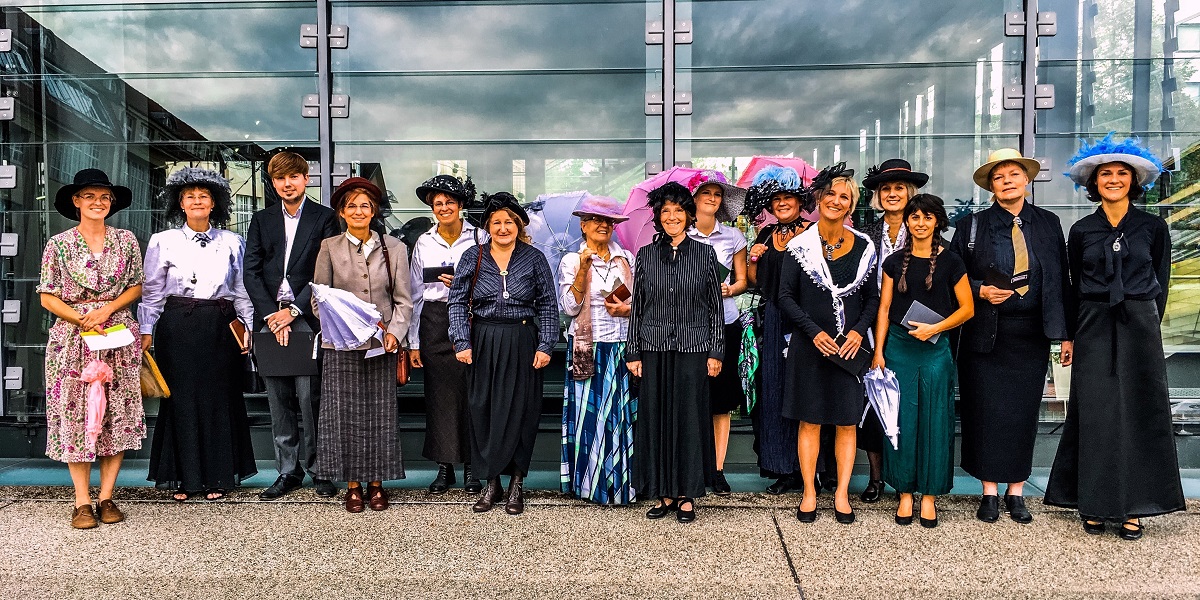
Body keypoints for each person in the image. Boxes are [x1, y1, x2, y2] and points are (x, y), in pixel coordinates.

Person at [1044, 135, 1185, 540]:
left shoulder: (1153, 227)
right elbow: (1070, 286)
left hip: (1139, 323)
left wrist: (1147, 323)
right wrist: (1067, 337)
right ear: (1094, 182)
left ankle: (1134, 507)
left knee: (1140, 411)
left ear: (1134, 180)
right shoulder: (1082, 230)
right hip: (1092, 321)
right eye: (1106, 173)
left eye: (1122, 173)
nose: (1114, 179)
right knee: (1096, 412)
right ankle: (1094, 502)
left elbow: (1162, 277)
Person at [950, 148, 1072, 524]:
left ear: (1027, 180)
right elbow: (951, 276)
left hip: (1031, 333)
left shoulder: (1049, 223)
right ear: (991, 185)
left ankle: (1016, 490)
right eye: (999, 176)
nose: (1007, 181)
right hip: (985, 333)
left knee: (1021, 414)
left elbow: (1062, 280)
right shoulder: (972, 224)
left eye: (1013, 174)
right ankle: (988, 490)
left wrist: (1066, 334)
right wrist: (980, 289)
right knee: (984, 411)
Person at [140, 167, 257, 501]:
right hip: (178, 327)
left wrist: (247, 327)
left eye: (203, 196)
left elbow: (242, 290)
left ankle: (219, 477)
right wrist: (146, 330)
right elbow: (152, 292)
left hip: (221, 326)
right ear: (180, 202)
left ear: (214, 203)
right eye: (189, 196)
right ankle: (182, 478)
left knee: (218, 399)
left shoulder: (233, 241)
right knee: (181, 401)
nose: (196, 201)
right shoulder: (162, 241)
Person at [38, 168, 145, 529]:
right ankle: (82, 501)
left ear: (111, 203)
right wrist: (81, 318)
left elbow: (135, 287)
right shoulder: (59, 244)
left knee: (116, 413)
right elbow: (47, 296)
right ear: (76, 201)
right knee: (77, 415)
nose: (97, 203)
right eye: (89, 196)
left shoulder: (127, 240)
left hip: (116, 334)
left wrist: (107, 309)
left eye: (104, 197)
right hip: (72, 339)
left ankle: (107, 496)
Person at [777, 163, 877, 525]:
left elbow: (872, 299)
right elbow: (785, 296)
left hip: (849, 350)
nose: (836, 200)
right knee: (810, 422)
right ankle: (808, 492)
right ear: (819, 198)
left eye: (844, 196)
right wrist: (812, 331)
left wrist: (856, 332)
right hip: (810, 347)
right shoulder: (798, 246)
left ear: (851, 205)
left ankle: (841, 495)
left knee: (848, 423)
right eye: (831, 194)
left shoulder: (865, 247)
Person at [448, 192, 558, 515]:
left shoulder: (534, 258)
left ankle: (516, 485)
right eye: (496, 222)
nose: (503, 227)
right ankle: (491, 483)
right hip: (483, 340)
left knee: (522, 411)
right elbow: (456, 301)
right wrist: (461, 341)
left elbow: (548, 304)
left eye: (509, 221)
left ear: (518, 224)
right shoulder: (473, 256)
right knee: (484, 409)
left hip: (523, 340)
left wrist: (545, 344)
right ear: (487, 226)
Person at [870, 194, 973, 528]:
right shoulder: (893, 262)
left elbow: (967, 309)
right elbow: (884, 309)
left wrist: (936, 327)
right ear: (907, 222)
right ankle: (904, 493)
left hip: (935, 349)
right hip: (898, 349)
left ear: (937, 222)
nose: (921, 222)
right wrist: (878, 352)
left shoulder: (952, 261)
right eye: (915, 217)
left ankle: (928, 496)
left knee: (934, 422)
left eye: (928, 217)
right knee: (901, 421)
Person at [310, 177, 413, 513]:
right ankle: (353, 485)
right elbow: (318, 299)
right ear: (342, 211)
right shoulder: (329, 246)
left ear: (374, 211)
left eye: (364, 205)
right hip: (340, 345)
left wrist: (395, 332)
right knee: (344, 416)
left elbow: (404, 300)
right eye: (351, 205)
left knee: (380, 415)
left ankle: (378, 483)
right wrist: (342, 324)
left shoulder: (394, 247)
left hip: (381, 344)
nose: (358, 211)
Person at [625, 182, 724, 524]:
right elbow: (638, 305)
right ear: (657, 216)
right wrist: (633, 351)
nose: (672, 217)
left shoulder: (705, 254)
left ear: (689, 215)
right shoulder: (646, 255)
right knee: (656, 419)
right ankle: (662, 491)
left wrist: (716, 351)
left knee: (688, 420)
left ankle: (686, 493)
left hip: (693, 348)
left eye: (678, 210)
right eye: (665, 211)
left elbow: (715, 308)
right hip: (652, 348)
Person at [244, 152, 340, 500]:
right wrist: (272, 313)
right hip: (269, 320)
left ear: (306, 179)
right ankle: (288, 471)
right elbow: (250, 272)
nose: (287, 184)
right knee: (278, 398)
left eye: (294, 177)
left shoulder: (325, 218)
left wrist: (294, 311)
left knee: (309, 397)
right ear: (273, 183)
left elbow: (325, 271)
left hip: (307, 318)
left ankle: (318, 469)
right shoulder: (261, 219)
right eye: (280, 178)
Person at [856, 158, 929, 504]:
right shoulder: (863, 231)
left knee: (908, 405)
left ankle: (908, 477)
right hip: (871, 325)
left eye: (899, 187)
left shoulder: (925, 229)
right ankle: (876, 477)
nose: (893, 194)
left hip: (914, 326)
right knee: (872, 402)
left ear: (910, 192)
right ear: (877, 196)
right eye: (886, 188)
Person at [408, 174, 483, 495]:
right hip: (434, 322)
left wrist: (469, 288)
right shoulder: (423, 242)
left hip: (473, 319)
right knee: (439, 396)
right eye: (437, 203)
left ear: (461, 205)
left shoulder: (480, 238)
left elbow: (495, 281)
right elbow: (413, 293)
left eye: (449, 202)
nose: (443, 207)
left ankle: (471, 467)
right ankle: (444, 467)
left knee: (473, 394)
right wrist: (412, 342)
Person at [558, 195, 636, 504]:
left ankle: (620, 485)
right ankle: (590, 486)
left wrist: (625, 311)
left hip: (622, 348)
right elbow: (569, 306)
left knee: (618, 418)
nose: (604, 225)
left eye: (609, 221)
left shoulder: (626, 258)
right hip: (587, 349)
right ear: (584, 225)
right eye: (597, 220)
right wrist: (582, 269)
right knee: (590, 421)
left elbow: (638, 304)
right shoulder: (571, 260)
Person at [744, 166, 810, 495]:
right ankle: (783, 468)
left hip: (807, 322)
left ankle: (812, 469)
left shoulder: (815, 233)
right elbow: (756, 283)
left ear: (800, 201)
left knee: (806, 392)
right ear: (769, 206)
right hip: (773, 320)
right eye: (776, 200)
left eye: (788, 197)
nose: (782, 203)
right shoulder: (765, 236)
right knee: (775, 393)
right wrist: (753, 261)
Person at [683, 171, 747, 496]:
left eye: (717, 194)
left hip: (726, 323)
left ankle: (718, 469)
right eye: (706, 192)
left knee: (721, 403)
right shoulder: (681, 236)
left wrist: (728, 288)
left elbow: (743, 281)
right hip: (692, 329)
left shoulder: (733, 236)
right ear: (693, 199)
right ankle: (696, 466)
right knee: (694, 400)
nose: (712, 198)